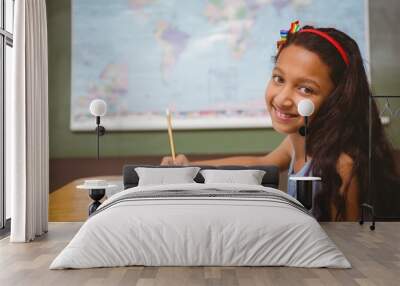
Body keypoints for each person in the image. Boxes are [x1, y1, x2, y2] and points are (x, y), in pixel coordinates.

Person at [161, 21, 400, 221]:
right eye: (278, 78)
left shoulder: (341, 166)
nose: (283, 98)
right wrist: (190, 167)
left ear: (337, 99)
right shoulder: (302, 141)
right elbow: (263, 162)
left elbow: (352, 245)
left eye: (306, 89)